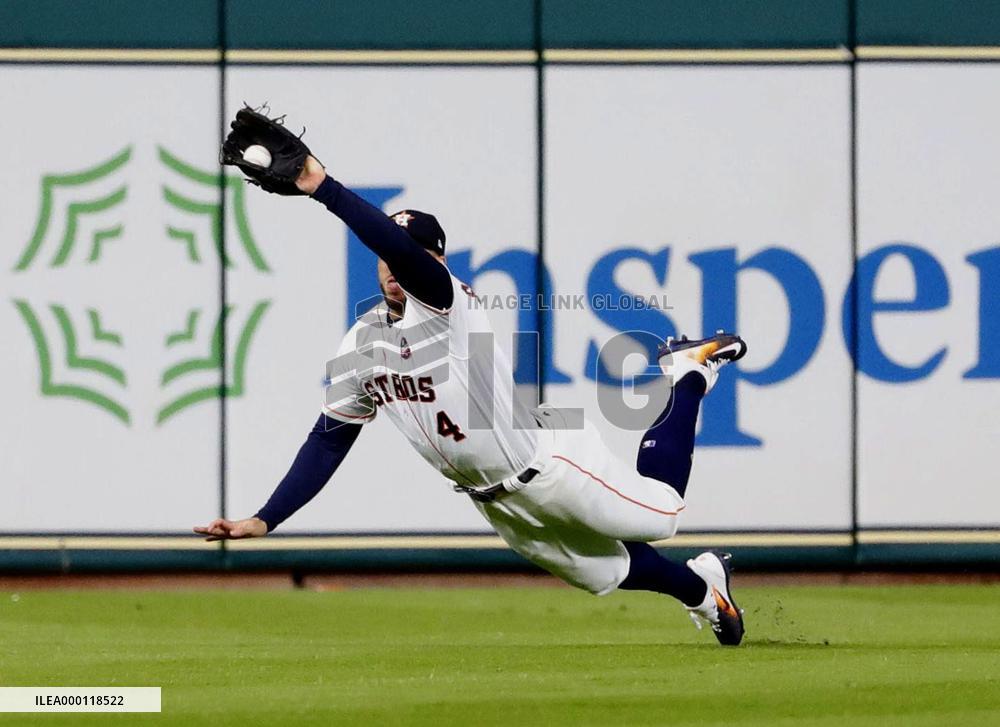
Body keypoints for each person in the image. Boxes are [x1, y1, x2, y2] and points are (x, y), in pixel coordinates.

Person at [194, 155, 749, 646]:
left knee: (663, 515)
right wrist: (266, 520)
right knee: (605, 569)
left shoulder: (445, 301)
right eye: (389, 255)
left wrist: (322, 186)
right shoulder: (361, 341)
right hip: (492, 498)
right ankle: (704, 591)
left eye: (414, 253)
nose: (395, 263)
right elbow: (328, 441)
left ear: (437, 261)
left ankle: (687, 373)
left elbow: (399, 252)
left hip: (551, 462)